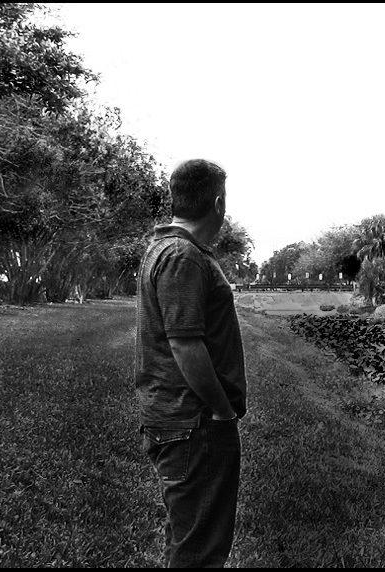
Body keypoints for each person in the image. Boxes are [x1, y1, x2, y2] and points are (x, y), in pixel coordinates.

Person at [135, 158, 247, 567]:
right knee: (200, 548)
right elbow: (185, 345)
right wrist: (221, 409)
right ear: (218, 203)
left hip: (178, 419)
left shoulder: (165, 249)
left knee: (188, 534)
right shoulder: (183, 257)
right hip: (196, 422)